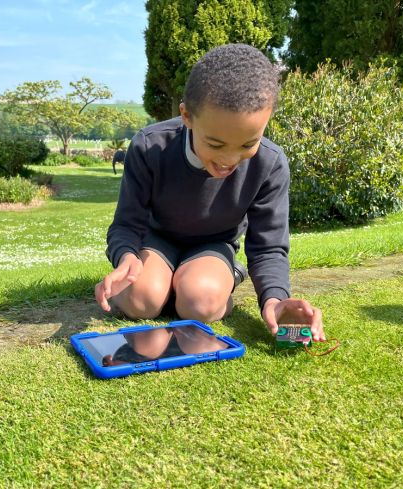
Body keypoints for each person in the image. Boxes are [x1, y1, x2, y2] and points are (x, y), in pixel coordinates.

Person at [94, 43, 326, 342]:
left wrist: (274, 299)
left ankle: (218, 276)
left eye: (247, 144)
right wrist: (126, 257)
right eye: (215, 144)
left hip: (214, 246)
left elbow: (268, 246)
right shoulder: (150, 146)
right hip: (155, 243)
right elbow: (127, 224)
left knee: (199, 302)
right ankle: (170, 283)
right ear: (187, 116)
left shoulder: (270, 163)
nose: (229, 159)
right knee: (142, 299)